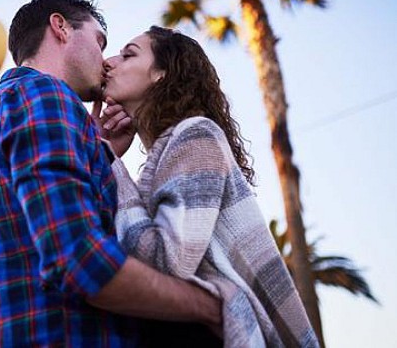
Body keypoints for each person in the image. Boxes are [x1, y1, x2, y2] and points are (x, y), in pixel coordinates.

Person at [0, 0, 222, 346]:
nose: (106, 61)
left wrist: (101, 153)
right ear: (61, 27)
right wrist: (211, 307)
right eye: (100, 41)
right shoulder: (44, 94)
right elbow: (79, 260)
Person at [101, 26, 319, 347]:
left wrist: (106, 160)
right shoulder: (169, 151)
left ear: (162, 73)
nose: (109, 62)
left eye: (128, 54)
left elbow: (168, 262)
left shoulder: (197, 135)